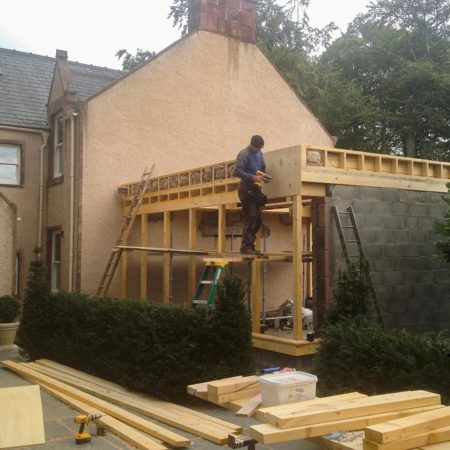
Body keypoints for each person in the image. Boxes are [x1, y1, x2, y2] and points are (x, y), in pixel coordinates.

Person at [233, 135, 269, 255]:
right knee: (250, 218)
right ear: (253, 145)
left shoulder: (260, 153)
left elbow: (263, 167)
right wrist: (252, 177)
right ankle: (245, 247)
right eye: (258, 148)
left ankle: (250, 246)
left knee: (257, 220)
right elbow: (236, 171)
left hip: (255, 190)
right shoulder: (244, 154)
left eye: (260, 148)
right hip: (246, 189)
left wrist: (264, 176)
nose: (259, 150)